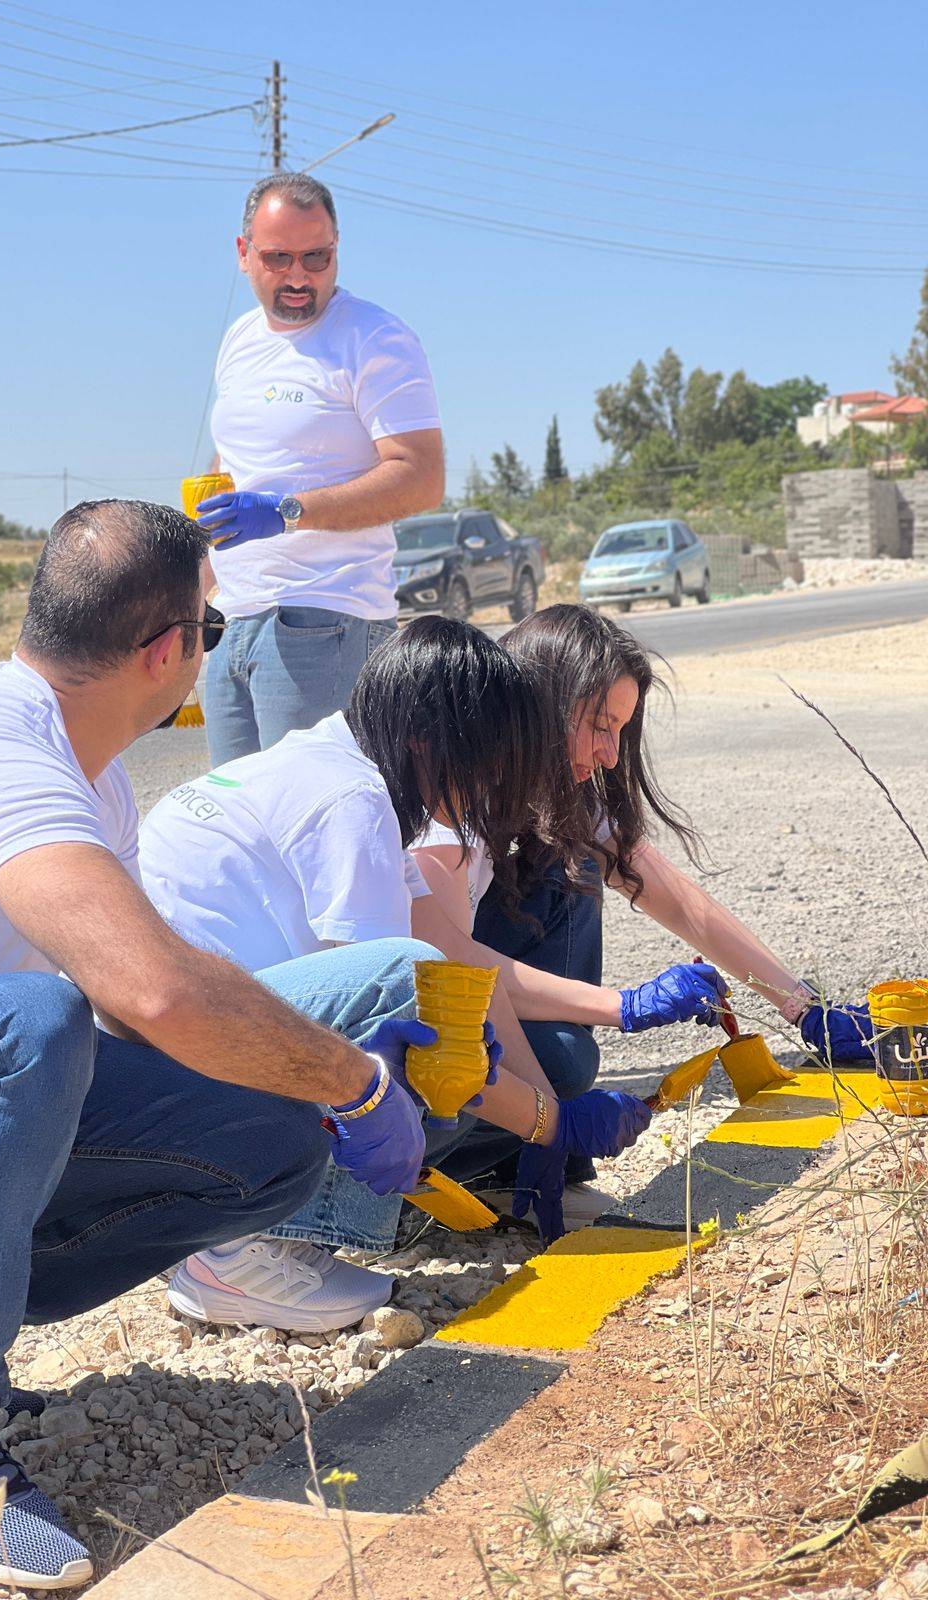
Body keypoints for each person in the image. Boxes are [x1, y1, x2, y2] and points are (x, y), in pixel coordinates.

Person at [0, 500, 441, 1591]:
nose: (209, 653)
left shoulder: (87, 773)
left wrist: (302, 1079)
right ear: (168, 651)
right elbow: (149, 989)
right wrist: (356, 1081)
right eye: (211, 630)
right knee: (29, 1027)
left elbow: (149, 1002)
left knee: (268, 1140)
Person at [139, 616, 651, 1327]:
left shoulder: (328, 761)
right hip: (188, 1089)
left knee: (438, 1014)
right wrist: (552, 1123)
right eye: (486, 761)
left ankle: (251, 1221)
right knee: (416, 1048)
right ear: (429, 739)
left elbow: (460, 963)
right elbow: (410, 1008)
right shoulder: (351, 801)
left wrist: (546, 1117)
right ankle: (242, 1247)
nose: (490, 786)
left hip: (159, 1058)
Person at [409, 603, 875, 1232]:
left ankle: (523, 1157)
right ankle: (463, 1169)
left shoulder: (557, 796)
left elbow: (677, 898)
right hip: (417, 1043)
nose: (609, 755)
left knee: (573, 861)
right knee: (567, 1061)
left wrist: (803, 1008)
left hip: (475, 1010)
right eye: (599, 726)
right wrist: (620, 1012)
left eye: (620, 732)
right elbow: (449, 968)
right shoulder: (451, 806)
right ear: (543, 704)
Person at [194, 171, 445, 765]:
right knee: (240, 815)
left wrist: (286, 513)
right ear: (243, 253)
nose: (299, 276)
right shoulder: (240, 341)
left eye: (316, 257)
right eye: (278, 258)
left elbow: (421, 477)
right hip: (233, 620)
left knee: (310, 813)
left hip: (327, 619)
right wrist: (193, 583)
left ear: (337, 248)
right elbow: (233, 459)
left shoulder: (374, 338)